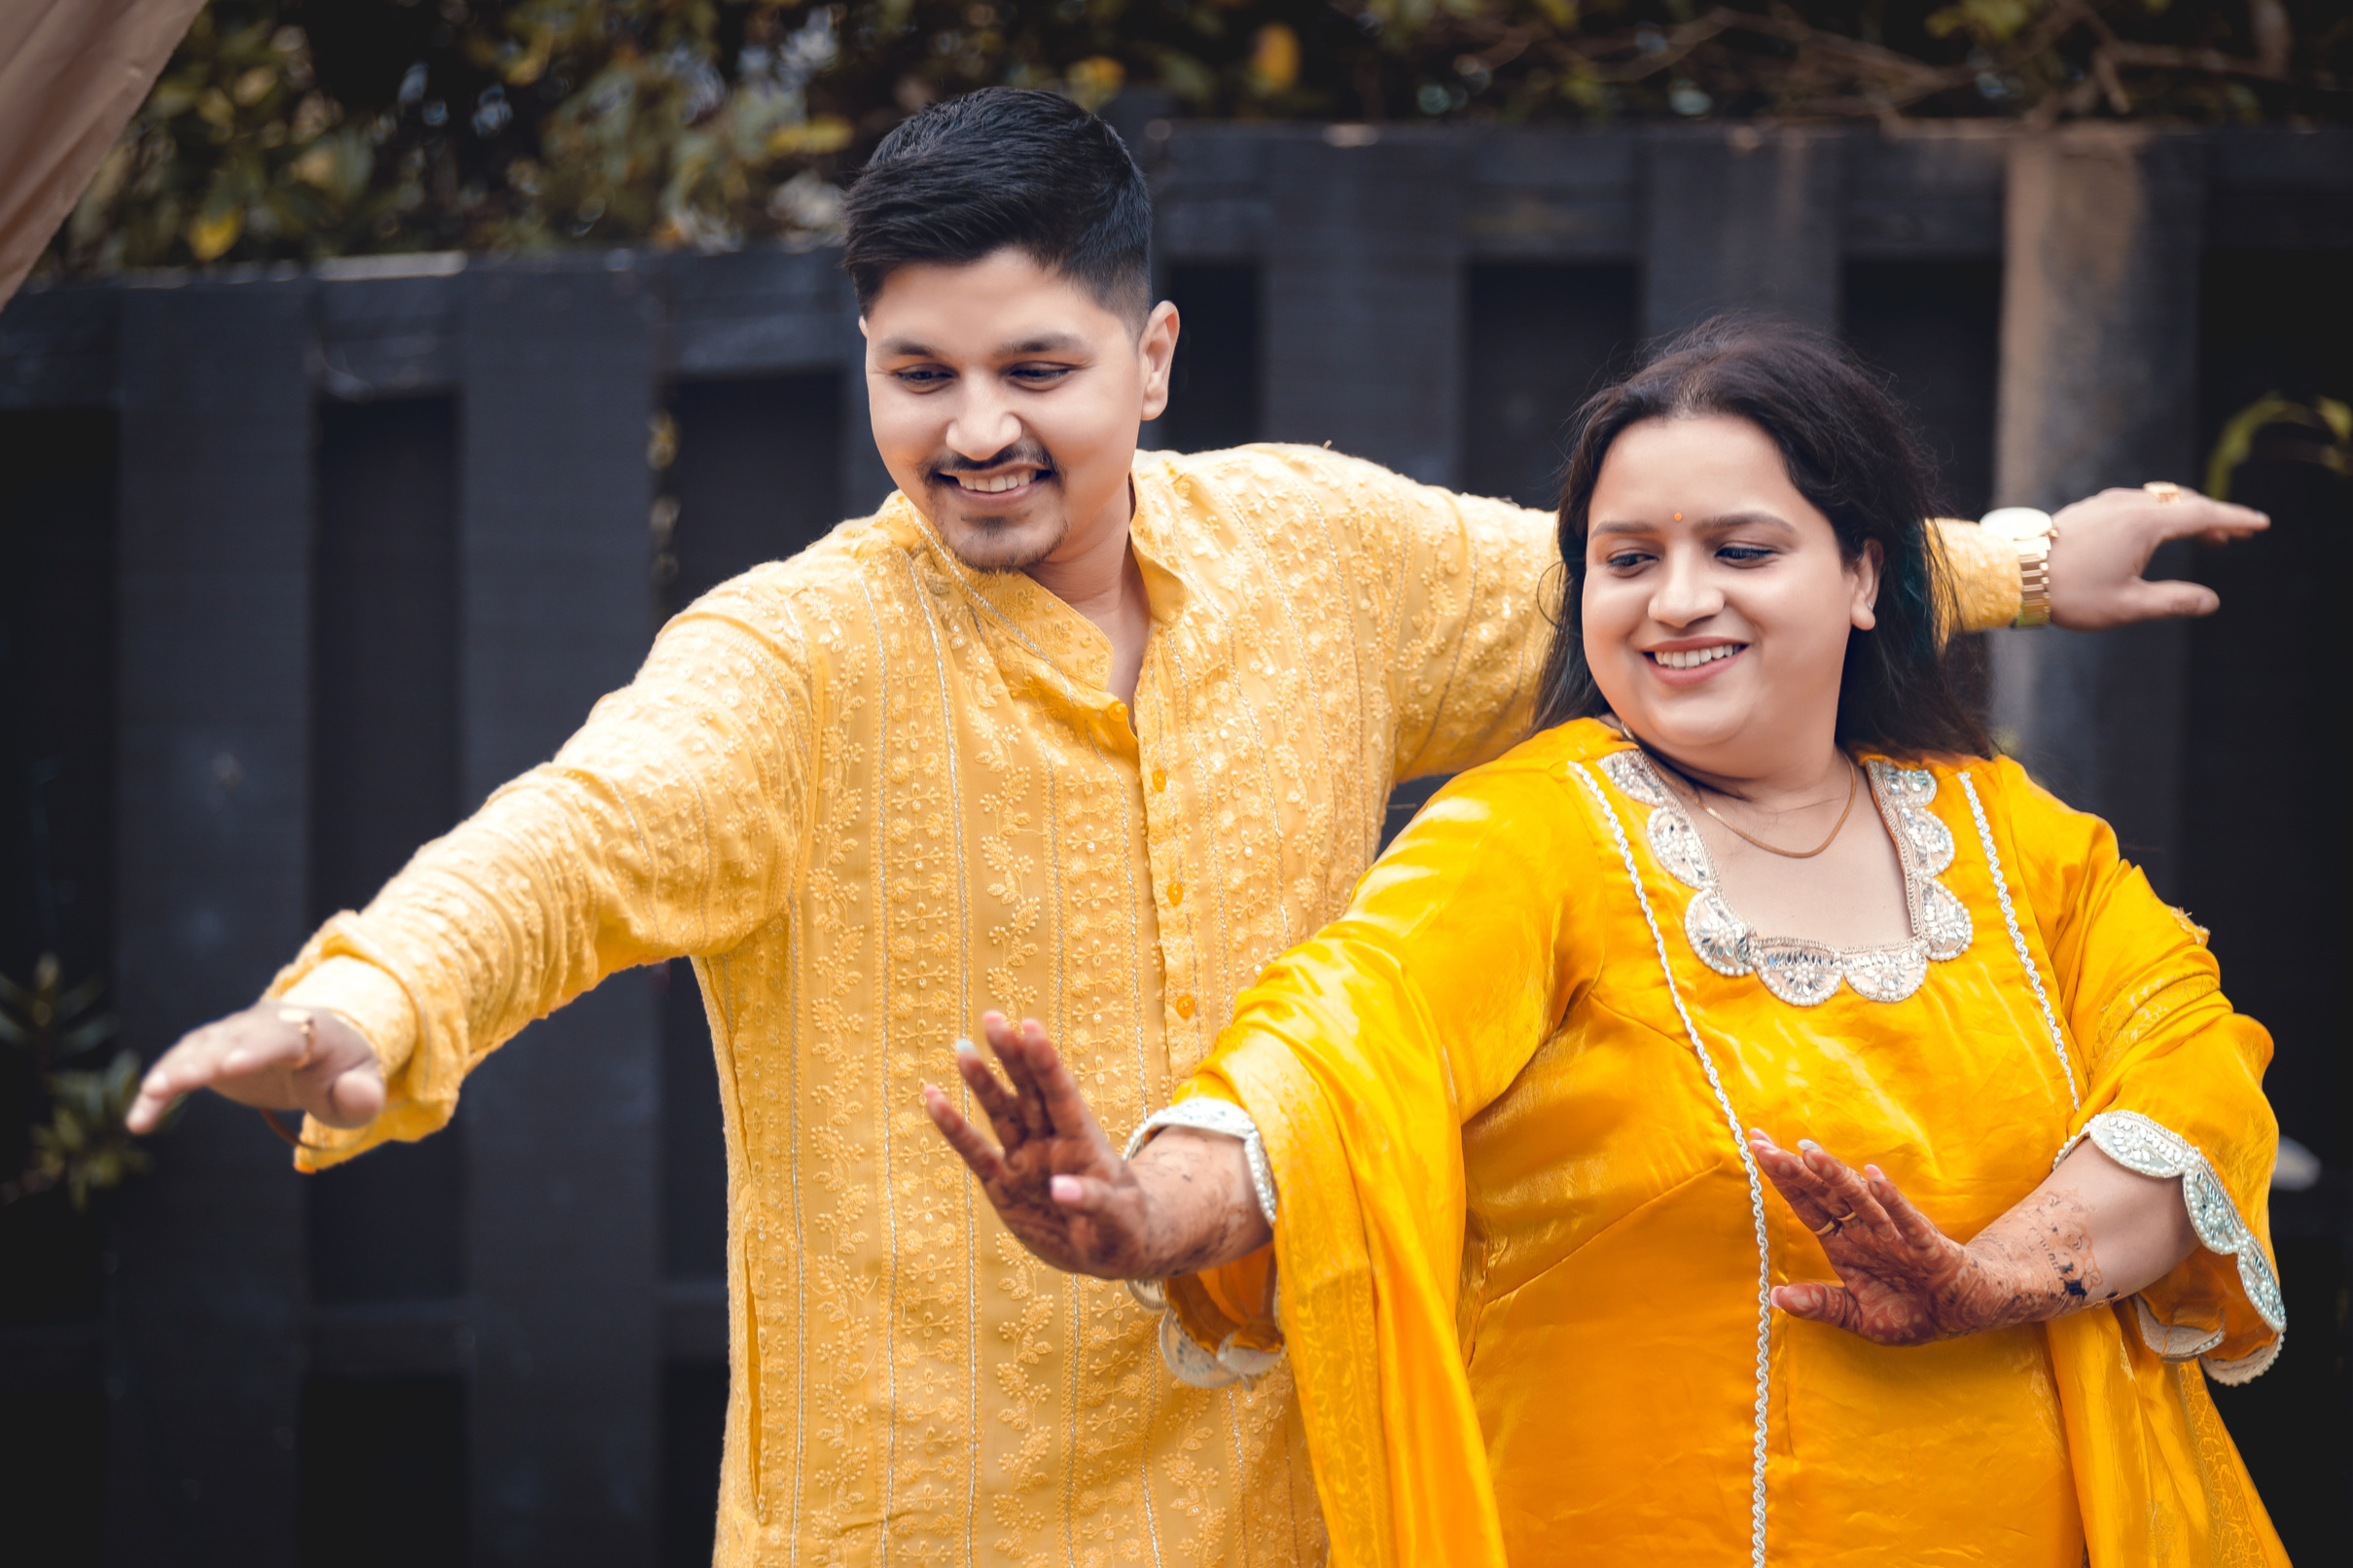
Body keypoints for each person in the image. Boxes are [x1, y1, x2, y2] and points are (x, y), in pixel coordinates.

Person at [124, 90, 2265, 1566]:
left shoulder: (1320, 554)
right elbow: (578, 836)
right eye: (916, 374)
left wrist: (2013, 561)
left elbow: (1660, 580)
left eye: (1035, 367)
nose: (976, 431)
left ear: (1150, 357)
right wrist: (370, 1002)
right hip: (932, 1508)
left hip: (1288, 1487)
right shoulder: (794, 657)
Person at [928, 323, 2286, 1566]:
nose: (1675, 601)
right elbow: (1339, 1045)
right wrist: (1150, 1210)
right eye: (1627, 561)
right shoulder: (1534, 837)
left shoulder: (2024, 846)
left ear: (1867, 574)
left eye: (1741, 553)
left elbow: (2190, 1079)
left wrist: (1988, 1282)